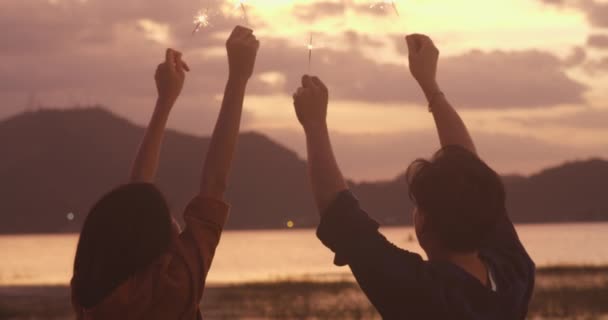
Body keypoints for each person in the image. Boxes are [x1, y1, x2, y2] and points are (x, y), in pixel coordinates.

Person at [292, 34, 535, 319]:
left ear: (424, 222)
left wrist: (314, 125)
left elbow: (340, 215)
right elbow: (468, 169)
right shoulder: (514, 275)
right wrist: (429, 84)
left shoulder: (422, 293)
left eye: (418, 206)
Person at [71, 25, 259, 319]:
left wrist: (165, 100)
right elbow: (214, 184)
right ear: (154, 242)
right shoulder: (171, 288)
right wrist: (239, 76)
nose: (175, 222)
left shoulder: (92, 296)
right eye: (168, 218)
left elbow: (136, 198)